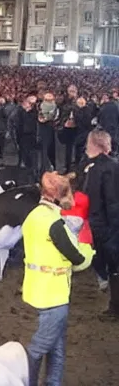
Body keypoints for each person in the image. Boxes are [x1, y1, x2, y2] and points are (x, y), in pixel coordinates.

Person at [22, 172, 95, 386]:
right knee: (39, 347)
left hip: (36, 288)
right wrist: (87, 246)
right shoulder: (55, 223)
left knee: (56, 345)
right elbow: (77, 258)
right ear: (58, 197)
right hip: (54, 294)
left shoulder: (34, 215)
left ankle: (53, 383)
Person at [83, 129, 119, 312]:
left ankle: (115, 307)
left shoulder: (98, 169)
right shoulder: (115, 164)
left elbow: (101, 200)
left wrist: (105, 230)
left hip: (104, 225)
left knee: (111, 265)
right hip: (111, 223)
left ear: (94, 145)